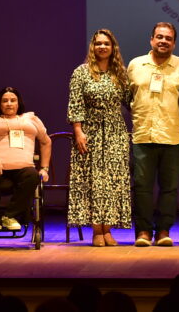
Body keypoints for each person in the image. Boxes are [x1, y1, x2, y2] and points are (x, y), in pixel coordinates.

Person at [67, 29, 132, 247]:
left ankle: (108, 230)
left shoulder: (120, 73)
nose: (102, 47)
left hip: (115, 131)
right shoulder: (81, 72)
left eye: (106, 43)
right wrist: (78, 131)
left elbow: (131, 102)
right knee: (93, 182)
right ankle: (96, 230)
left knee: (112, 182)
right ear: (92, 47)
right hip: (90, 131)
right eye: (98, 43)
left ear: (113, 47)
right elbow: (75, 103)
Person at [128, 22, 179, 247]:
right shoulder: (135, 65)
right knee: (142, 186)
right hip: (142, 134)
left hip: (172, 135)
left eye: (168, 38)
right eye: (159, 37)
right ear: (151, 40)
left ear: (174, 43)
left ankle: (163, 231)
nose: (163, 41)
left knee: (169, 187)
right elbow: (126, 98)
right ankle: (143, 231)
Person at [0, 87, 51, 232]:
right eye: (5, 101)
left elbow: (46, 142)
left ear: (18, 103)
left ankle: (11, 217)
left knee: (33, 175)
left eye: (13, 100)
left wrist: (44, 168)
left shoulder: (31, 118)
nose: (9, 104)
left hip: (23, 168)